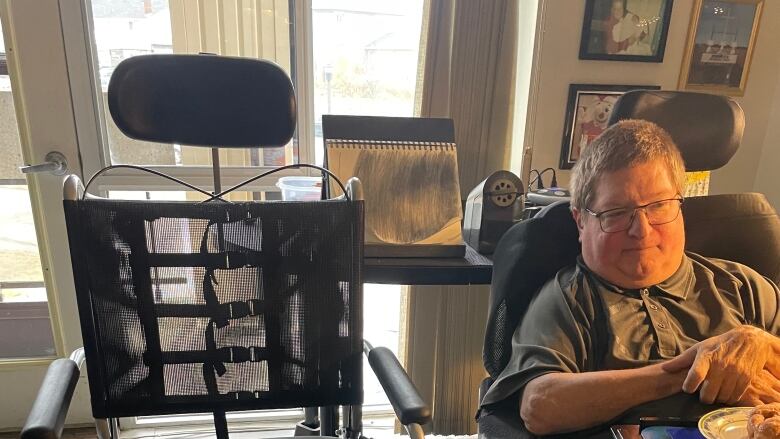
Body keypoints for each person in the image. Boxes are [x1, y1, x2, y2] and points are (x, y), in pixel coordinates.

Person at [480, 120, 780, 436]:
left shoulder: (743, 286)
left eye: (659, 206)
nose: (642, 230)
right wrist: (687, 374)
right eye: (616, 213)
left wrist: (765, 346)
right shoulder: (569, 301)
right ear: (581, 222)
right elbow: (539, 405)